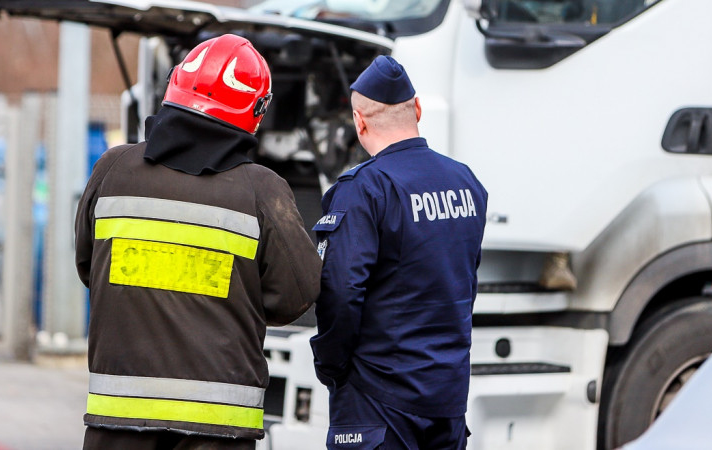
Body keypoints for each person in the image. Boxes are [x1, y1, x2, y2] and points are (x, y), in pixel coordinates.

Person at [75, 34, 322, 450]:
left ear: (175, 85)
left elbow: (89, 266)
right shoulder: (262, 191)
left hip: (116, 422)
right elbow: (296, 297)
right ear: (256, 109)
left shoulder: (111, 170)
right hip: (217, 431)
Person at [311, 55, 488, 450]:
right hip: (446, 400)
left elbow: (340, 292)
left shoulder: (365, 190)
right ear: (418, 109)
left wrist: (331, 365)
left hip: (379, 401)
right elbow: (465, 283)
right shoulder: (466, 183)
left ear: (360, 122)